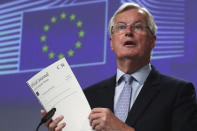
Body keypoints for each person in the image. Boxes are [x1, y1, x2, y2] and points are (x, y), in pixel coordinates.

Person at [41, 2, 197, 131]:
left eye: (138, 27)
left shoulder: (179, 92)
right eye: (121, 27)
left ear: (153, 40)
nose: (128, 32)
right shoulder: (88, 96)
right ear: (111, 43)